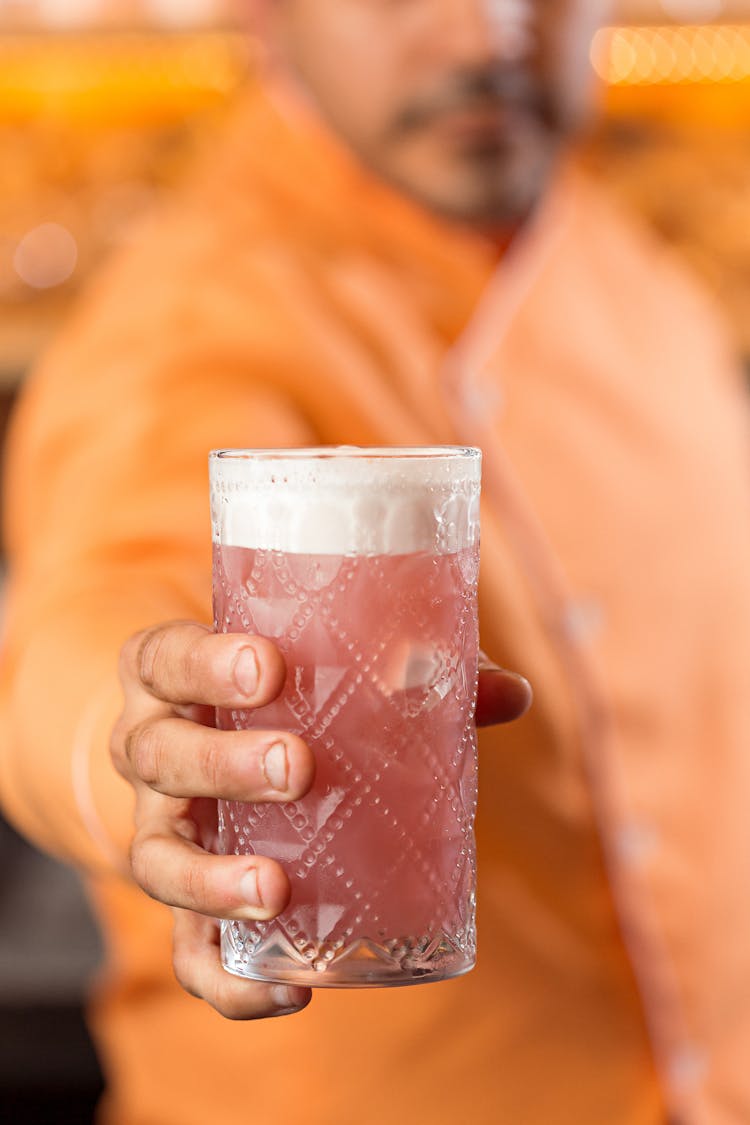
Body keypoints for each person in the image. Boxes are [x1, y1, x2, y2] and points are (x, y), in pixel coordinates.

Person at [1, 0, 750, 1121]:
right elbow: (92, 606)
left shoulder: (651, 281)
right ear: (265, 14)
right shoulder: (185, 321)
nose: (485, 32)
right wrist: (136, 748)